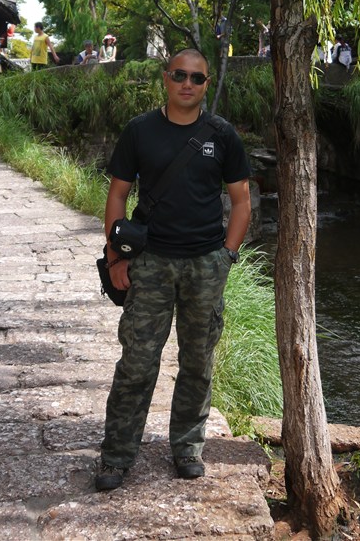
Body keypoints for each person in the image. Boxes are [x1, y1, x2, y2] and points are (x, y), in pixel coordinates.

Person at [96, 48, 251, 491]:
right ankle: (116, 455)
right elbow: (117, 195)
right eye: (179, 75)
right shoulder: (140, 130)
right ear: (166, 78)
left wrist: (227, 256)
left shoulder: (222, 135)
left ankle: (187, 448)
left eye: (196, 78)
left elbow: (241, 201)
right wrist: (116, 256)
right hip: (150, 263)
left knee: (198, 363)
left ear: (206, 84)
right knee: (137, 363)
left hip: (205, 264)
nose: (187, 83)